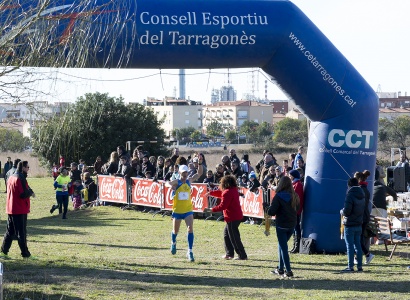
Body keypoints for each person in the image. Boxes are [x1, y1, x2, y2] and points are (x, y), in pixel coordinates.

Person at [165, 163, 203, 262]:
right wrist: (170, 186)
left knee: (190, 229)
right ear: (179, 173)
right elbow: (167, 183)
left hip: (188, 210)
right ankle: (173, 242)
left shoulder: (189, 180)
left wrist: (199, 163)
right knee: (175, 231)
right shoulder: (177, 182)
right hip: (177, 211)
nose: (185, 174)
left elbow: (199, 173)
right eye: (183, 172)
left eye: (186, 172)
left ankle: (190, 251)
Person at [207, 175, 248, 260]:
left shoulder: (228, 192)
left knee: (234, 237)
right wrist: (211, 193)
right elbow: (221, 194)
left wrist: (212, 210)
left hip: (232, 217)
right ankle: (229, 254)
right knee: (227, 235)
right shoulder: (233, 190)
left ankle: (242, 255)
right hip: (235, 216)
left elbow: (223, 206)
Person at [1, 160, 35, 259]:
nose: (28, 169)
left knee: (10, 231)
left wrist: (29, 190)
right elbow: (22, 194)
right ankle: (25, 254)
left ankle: (3, 251)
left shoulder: (11, 177)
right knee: (21, 232)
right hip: (19, 208)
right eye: (27, 167)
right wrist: (30, 193)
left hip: (11, 208)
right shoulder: (20, 178)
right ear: (23, 167)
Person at [266, 176, 299, 277]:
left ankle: (288, 271)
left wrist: (266, 207)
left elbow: (271, 212)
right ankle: (280, 269)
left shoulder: (278, 196)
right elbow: (297, 209)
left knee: (284, 248)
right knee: (282, 245)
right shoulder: (295, 196)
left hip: (282, 225)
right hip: (292, 224)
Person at [340, 177, 366, 272]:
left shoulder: (350, 195)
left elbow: (347, 211)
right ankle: (359, 266)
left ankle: (350, 266)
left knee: (349, 246)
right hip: (358, 223)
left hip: (350, 224)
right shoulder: (362, 194)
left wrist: (342, 211)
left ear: (349, 185)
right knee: (358, 245)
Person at [354, 170, 374, 265]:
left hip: (361, 217)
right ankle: (359, 256)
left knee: (358, 237)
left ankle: (366, 254)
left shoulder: (360, 190)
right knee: (359, 237)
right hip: (365, 216)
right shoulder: (366, 189)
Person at [289, 169, 304, 254]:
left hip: (295, 209)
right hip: (294, 209)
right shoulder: (295, 184)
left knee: (296, 228)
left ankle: (297, 246)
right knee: (295, 228)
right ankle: (295, 245)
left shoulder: (297, 185)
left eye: (290, 175)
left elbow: (296, 198)